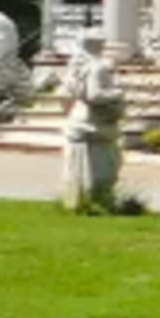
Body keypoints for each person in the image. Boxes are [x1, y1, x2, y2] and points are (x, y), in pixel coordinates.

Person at [57, 33, 127, 213]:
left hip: (80, 119)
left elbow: (67, 93)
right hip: (94, 122)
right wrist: (118, 93)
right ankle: (97, 199)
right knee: (105, 168)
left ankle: (79, 199)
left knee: (82, 168)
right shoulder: (97, 68)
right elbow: (94, 95)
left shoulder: (77, 67)